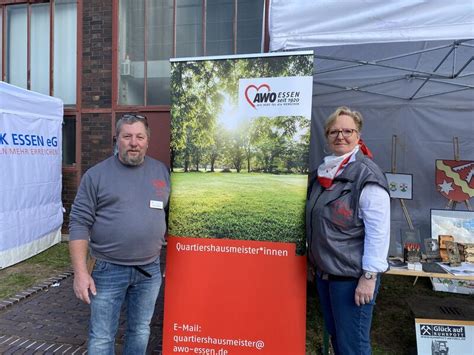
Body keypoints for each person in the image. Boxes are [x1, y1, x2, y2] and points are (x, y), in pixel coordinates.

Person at [69, 114, 170, 354]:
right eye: (127, 136)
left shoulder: (162, 172)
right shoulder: (96, 175)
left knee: (140, 330)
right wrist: (80, 273)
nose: (133, 142)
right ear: (117, 140)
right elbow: (79, 223)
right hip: (107, 270)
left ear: (147, 141)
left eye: (139, 137)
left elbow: (171, 217)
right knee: (102, 336)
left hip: (149, 271)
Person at [306, 106, 390, 355]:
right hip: (326, 274)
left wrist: (369, 277)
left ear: (358, 135)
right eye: (334, 131)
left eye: (347, 131)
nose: (340, 136)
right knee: (337, 340)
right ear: (327, 135)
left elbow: (378, 230)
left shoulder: (367, 174)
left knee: (353, 345)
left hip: (352, 278)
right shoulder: (322, 172)